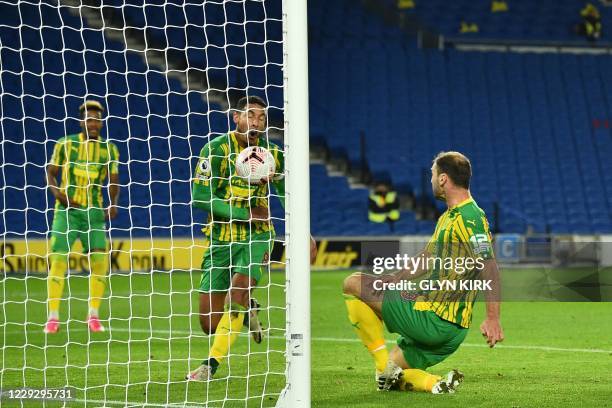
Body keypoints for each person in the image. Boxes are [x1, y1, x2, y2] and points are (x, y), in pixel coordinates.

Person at [343, 151, 504, 394]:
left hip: (434, 319)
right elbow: (427, 258)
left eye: (432, 175)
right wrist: (395, 279)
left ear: (443, 179)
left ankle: (383, 365)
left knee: (353, 283)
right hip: (453, 332)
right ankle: (435, 384)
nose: (430, 180)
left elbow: (489, 266)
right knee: (387, 378)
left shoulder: (469, 217)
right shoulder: (450, 217)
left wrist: (493, 318)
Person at [187, 95, 317, 381]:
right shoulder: (216, 149)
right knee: (209, 323)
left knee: (238, 291)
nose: (256, 122)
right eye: (250, 115)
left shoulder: (272, 153)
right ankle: (248, 310)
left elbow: (285, 193)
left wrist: (303, 231)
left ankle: (210, 365)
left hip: (258, 236)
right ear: (237, 117)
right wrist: (243, 213)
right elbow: (199, 197)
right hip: (221, 239)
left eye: (261, 118)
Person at [44, 100, 120, 334]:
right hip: (66, 212)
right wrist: (58, 194)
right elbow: (51, 172)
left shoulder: (109, 149)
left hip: (94, 213)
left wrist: (113, 204)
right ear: (82, 122)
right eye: (89, 119)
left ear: (102, 122)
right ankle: (53, 317)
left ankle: (93, 316)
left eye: (97, 119)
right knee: (57, 261)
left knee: (100, 263)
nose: (93, 123)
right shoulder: (65, 144)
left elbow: (114, 179)